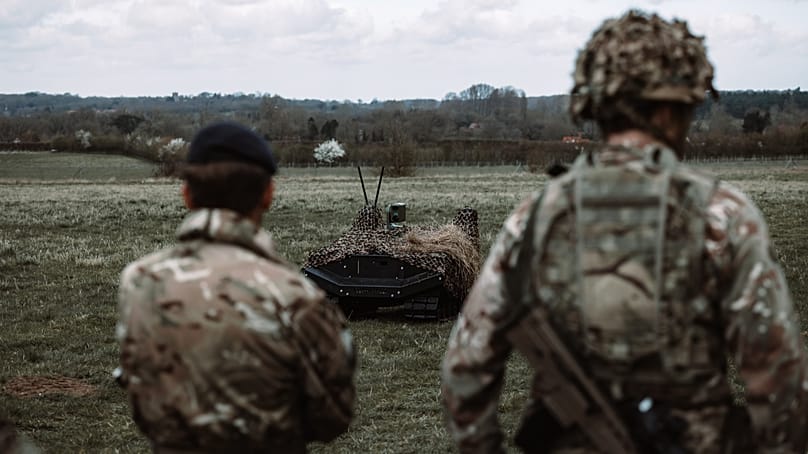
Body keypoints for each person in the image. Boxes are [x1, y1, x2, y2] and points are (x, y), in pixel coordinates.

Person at [441, 10, 808, 454]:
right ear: (678, 106)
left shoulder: (535, 218)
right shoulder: (722, 215)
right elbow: (780, 383)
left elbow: (466, 368)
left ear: (595, 105)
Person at [115, 122, 356, 453]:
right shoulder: (296, 295)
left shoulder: (139, 281)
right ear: (268, 194)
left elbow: (140, 394)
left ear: (186, 194)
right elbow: (333, 417)